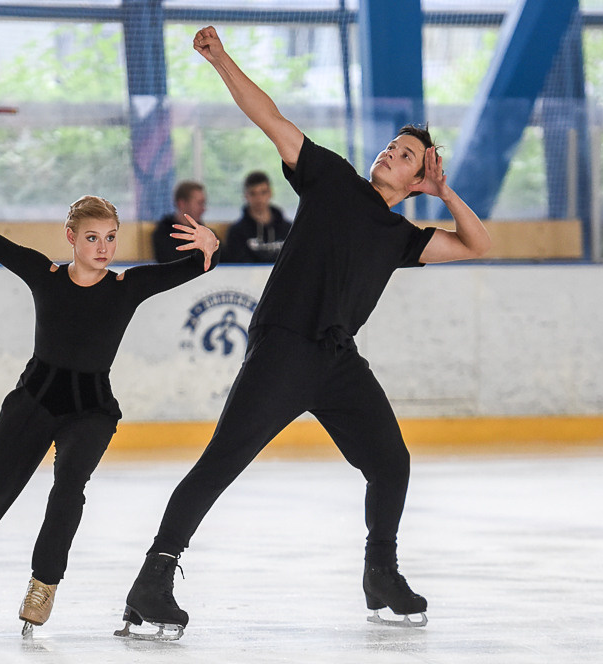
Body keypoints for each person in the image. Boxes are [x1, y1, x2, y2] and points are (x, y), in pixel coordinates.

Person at [118, 26, 491, 639]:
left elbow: (480, 245)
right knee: (221, 462)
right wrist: (220, 60)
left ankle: (381, 574)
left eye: (405, 156)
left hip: (337, 359)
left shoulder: (403, 238)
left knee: (390, 461)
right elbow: (270, 116)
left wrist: (445, 189)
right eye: (391, 147)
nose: (389, 155)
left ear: (417, 179)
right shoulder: (334, 180)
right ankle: (152, 580)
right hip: (286, 345)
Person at [0, 187, 219, 636]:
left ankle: (43, 584)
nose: (104, 249)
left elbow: (193, 266)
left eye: (111, 238)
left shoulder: (129, 287)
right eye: (93, 238)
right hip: (34, 400)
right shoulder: (46, 275)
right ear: (71, 238)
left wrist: (207, 248)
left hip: (91, 408)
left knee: (68, 488)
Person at [221, 171, 292, 263]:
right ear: (246, 195)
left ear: (270, 193)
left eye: (263, 192)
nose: (259, 199)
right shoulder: (236, 232)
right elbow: (238, 266)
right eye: (253, 193)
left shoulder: (289, 230)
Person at [152, 180, 208, 263]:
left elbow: (224, 260)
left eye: (204, 203)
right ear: (181, 203)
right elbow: (168, 261)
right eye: (199, 203)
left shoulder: (205, 233)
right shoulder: (164, 233)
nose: (203, 209)